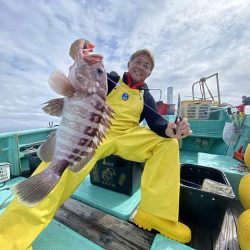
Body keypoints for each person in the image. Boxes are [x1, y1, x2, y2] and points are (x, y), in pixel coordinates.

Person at [0, 38, 192, 249]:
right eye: (138, 61)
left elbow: (157, 122)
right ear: (129, 64)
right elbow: (80, 65)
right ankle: (10, 237)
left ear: (149, 73)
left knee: (168, 144)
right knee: (59, 167)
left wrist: (173, 130)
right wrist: (79, 50)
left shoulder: (146, 96)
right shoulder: (109, 80)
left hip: (129, 135)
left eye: (146, 65)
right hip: (98, 132)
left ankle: (154, 214)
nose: (141, 66)